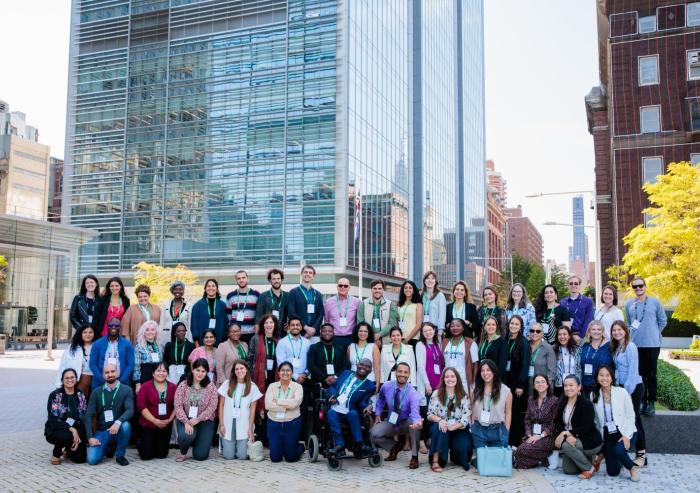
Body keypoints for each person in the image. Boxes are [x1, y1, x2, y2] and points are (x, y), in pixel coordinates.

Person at [624, 277, 667, 417]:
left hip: (652, 345)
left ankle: (651, 402)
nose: (638, 289)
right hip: (635, 345)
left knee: (651, 374)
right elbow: (630, 323)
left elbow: (663, 320)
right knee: (639, 375)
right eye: (635, 287)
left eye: (640, 286)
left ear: (645, 286)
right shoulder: (629, 304)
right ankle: (642, 400)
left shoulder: (655, 302)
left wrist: (654, 333)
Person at [591, 365, 640, 481]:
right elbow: (596, 420)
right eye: (601, 375)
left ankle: (632, 468)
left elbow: (630, 416)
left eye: (607, 375)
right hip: (608, 434)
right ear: (597, 377)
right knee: (612, 472)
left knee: (619, 449)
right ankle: (617, 458)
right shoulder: (594, 394)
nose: (604, 378)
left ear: (612, 377)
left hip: (625, 430)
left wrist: (626, 435)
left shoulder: (622, 392)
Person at [371, 362, 423, 469]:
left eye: (405, 372)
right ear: (395, 372)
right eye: (400, 371)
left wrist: (417, 422)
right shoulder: (386, 386)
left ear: (409, 374)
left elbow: (415, 411)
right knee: (373, 433)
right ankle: (394, 447)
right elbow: (380, 400)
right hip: (391, 422)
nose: (402, 374)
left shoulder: (412, 393)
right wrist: (377, 414)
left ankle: (414, 457)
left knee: (414, 424)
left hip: (406, 423)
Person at [610, 320, 647, 468]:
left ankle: (642, 454)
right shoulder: (618, 347)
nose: (617, 332)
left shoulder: (630, 346)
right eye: (614, 330)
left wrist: (627, 392)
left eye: (619, 330)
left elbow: (633, 371)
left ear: (625, 331)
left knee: (635, 419)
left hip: (632, 388)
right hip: (622, 388)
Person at [553, 375, 602, 479]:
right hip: (572, 439)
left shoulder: (586, 404)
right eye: (565, 385)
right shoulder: (562, 402)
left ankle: (589, 468)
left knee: (565, 446)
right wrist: (565, 434)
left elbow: (586, 427)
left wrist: (566, 433)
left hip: (589, 440)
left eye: (571, 385)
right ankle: (590, 460)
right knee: (568, 471)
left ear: (579, 387)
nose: (568, 388)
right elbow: (557, 422)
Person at [85, 364, 134, 466]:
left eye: (112, 371)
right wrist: (90, 438)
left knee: (125, 426)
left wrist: (118, 422)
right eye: (107, 372)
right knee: (92, 460)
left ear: (117, 373)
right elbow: (88, 416)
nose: (110, 374)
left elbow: (130, 410)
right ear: (103, 375)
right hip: (103, 431)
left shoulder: (127, 390)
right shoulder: (96, 392)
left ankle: (120, 455)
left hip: (118, 430)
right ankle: (108, 448)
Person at [426, 367, 473, 472]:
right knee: (440, 429)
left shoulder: (464, 397)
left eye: (452, 376)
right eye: (447, 377)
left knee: (463, 448)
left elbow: (465, 419)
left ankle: (455, 456)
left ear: (457, 379)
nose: (450, 379)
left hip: (458, 428)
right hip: (441, 426)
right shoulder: (436, 394)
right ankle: (436, 461)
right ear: (443, 379)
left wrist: (452, 427)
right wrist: (440, 420)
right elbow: (430, 414)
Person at [326, 359, 376, 457]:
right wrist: (332, 396)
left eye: (367, 366)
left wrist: (367, 406)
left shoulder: (369, 385)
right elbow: (332, 386)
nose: (363, 367)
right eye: (361, 364)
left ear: (370, 371)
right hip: (335, 409)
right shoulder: (346, 373)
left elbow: (363, 401)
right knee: (331, 413)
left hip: (349, 412)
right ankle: (339, 445)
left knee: (353, 414)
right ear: (357, 365)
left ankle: (360, 444)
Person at [174, 358, 218, 461]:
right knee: (185, 436)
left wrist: (198, 419)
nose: (200, 373)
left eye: (203, 371)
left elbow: (212, 406)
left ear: (206, 372)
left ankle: (198, 442)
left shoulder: (211, 386)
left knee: (200, 456)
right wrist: (186, 422)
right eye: (198, 370)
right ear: (192, 369)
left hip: (204, 420)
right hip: (186, 419)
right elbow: (178, 405)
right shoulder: (183, 385)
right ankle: (183, 452)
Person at [217, 360, 263, 460]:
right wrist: (221, 424)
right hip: (228, 422)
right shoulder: (227, 384)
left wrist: (250, 429)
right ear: (234, 371)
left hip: (243, 423)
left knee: (242, 456)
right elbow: (221, 405)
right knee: (229, 456)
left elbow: (252, 411)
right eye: (236, 369)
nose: (239, 371)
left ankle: (240, 446)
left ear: (246, 370)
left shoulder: (252, 387)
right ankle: (227, 444)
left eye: (241, 368)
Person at [248, 313, 281, 445]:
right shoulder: (256, 339)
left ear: (275, 325)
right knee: (260, 404)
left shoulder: (279, 339)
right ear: (262, 325)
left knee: (273, 403)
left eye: (271, 323)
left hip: (275, 377)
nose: (269, 325)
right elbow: (250, 359)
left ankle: (272, 437)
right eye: (266, 323)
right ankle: (261, 436)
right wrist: (250, 377)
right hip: (259, 377)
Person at [276, 316, 312, 436]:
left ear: (301, 327)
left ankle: (301, 438)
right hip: (287, 381)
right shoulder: (282, 342)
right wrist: (296, 376)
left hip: (304, 381)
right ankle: (287, 435)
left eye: (298, 325)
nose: (295, 327)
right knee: (288, 408)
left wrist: (305, 374)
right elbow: (281, 363)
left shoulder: (307, 343)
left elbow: (310, 362)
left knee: (303, 410)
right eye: (293, 325)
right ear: (288, 327)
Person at [513, 374, 558, 469]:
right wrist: (529, 435)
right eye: (537, 382)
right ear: (533, 385)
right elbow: (527, 420)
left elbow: (554, 423)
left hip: (547, 436)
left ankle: (548, 453)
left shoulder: (554, 400)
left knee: (522, 449)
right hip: (533, 435)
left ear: (547, 385)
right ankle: (542, 458)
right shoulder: (531, 400)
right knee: (522, 451)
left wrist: (540, 436)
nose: (540, 384)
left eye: (542, 382)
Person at [45, 368, 88, 465]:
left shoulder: (81, 395)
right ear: (62, 380)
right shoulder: (55, 395)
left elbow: (83, 416)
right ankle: (56, 453)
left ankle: (68, 449)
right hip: (57, 429)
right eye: (66, 378)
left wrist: (81, 435)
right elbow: (53, 419)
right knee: (65, 435)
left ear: (76, 379)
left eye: (72, 377)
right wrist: (72, 430)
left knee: (80, 459)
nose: (70, 380)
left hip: (76, 428)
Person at [265, 361, 305, 462]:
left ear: (292, 373)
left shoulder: (298, 387)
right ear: (278, 373)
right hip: (274, 424)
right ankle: (284, 446)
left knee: (291, 458)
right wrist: (287, 406)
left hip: (292, 423)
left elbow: (295, 403)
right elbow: (268, 405)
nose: (285, 373)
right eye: (282, 370)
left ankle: (300, 446)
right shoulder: (272, 386)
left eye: (288, 370)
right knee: (275, 458)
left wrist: (278, 401)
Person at [470, 359, 512, 454]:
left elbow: (508, 412)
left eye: (488, 370)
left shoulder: (506, 391)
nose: (485, 373)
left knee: (496, 462)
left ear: (494, 371)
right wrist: (472, 425)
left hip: (498, 431)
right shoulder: (474, 388)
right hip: (479, 430)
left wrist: (506, 430)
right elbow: (471, 408)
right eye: (482, 370)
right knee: (484, 462)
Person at [135, 362, 176, 460]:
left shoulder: (173, 387)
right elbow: (141, 406)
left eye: (164, 371)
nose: (161, 373)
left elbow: (177, 406)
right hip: (149, 424)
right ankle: (141, 443)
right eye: (158, 370)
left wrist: (170, 419)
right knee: (146, 456)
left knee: (161, 455)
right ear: (153, 373)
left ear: (167, 373)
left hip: (165, 425)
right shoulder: (145, 386)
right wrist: (154, 421)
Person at [416, 322, 444, 454]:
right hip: (427, 385)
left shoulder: (438, 344)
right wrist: (427, 383)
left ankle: (429, 439)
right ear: (422, 333)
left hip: (438, 385)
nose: (428, 332)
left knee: (435, 413)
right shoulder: (420, 345)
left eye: (430, 330)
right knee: (425, 413)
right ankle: (421, 441)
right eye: (425, 331)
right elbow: (421, 366)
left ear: (434, 330)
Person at [504, 315, 531, 447]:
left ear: (521, 327)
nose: (513, 326)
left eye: (516, 324)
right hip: (506, 380)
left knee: (515, 411)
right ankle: (505, 438)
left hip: (517, 383)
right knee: (505, 409)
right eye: (512, 323)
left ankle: (515, 442)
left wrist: (520, 384)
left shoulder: (524, 342)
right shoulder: (506, 339)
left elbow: (525, 364)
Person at [89, 317, 134, 389]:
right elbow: (92, 364)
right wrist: (103, 380)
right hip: (100, 383)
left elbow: (131, 364)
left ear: (120, 328)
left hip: (122, 382)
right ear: (107, 327)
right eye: (111, 325)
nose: (113, 327)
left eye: (116, 326)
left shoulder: (127, 344)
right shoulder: (97, 343)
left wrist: (120, 381)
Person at [55, 323, 96, 394]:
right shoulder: (73, 347)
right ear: (80, 334)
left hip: (95, 380)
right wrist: (59, 384)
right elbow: (63, 365)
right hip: (80, 379)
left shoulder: (98, 345)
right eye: (85, 332)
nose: (88, 335)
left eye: (90, 332)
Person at [287, 265, 324, 339]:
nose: (308, 274)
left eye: (310, 273)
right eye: (305, 272)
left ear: (313, 276)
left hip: (314, 334)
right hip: (299, 333)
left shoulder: (318, 294)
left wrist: (313, 329)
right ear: (301, 274)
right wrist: (306, 327)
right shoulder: (293, 292)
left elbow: (320, 314)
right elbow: (291, 313)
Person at [357, 279, 399, 344]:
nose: (377, 291)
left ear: (383, 290)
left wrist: (379, 335)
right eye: (375, 288)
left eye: (380, 289)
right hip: (368, 341)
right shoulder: (363, 304)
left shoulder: (390, 304)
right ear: (371, 289)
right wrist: (372, 337)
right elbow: (360, 323)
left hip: (386, 342)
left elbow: (392, 323)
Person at [324, 277, 360, 352]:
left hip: (351, 337)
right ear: (337, 287)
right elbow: (327, 321)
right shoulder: (328, 302)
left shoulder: (357, 302)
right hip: (334, 337)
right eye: (340, 285)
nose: (343, 287)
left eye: (345, 286)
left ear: (349, 288)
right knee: (336, 361)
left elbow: (358, 321)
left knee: (350, 361)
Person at [579, 320, 614, 398]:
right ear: (589, 331)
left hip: (603, 385)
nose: (596, 332)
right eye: (593, 329)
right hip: (585, 385)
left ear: (602, 331)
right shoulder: (585, 344)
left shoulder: (610, 346)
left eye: (599, 329)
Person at [307, 323, 349, 388]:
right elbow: (311, 366)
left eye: (330, 331)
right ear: (321, 333)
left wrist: (335, 377)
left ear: (333, 333)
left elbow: (346, 365)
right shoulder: (314, 347)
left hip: (337, 382)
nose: (327, 333)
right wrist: (325, 377)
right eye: (324, 331)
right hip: (319, 382)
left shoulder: (340, 348)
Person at [225, 270, 260, 344]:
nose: (241, 280)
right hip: (235, 334)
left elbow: (259, 314)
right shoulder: (230, 296)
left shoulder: (256, 295)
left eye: (243, 278)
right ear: (236, 280)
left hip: (251, 333)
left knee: (250, 355)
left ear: (247, 279)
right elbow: (228, 316)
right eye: (239, 278)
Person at [442, 318, 478, 389]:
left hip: (463, 380)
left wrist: (474, 380)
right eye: (452, 326)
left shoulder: (471, 343)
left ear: (463, 328)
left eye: (458, 326)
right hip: (447, 379)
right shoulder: (444, 342)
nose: (455, 328)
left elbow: (475, 364)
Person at [191, 279, 228, 345]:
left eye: (213, 286)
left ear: (217, 289)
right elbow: (194, 326)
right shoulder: (197, 305)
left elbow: (225, 324)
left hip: (219, 343)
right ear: (205, 289)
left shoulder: (222, 305)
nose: (211, 288)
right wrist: (197, 344)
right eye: (208, 286)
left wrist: (224, 342)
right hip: (202, 343)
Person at [560, 275, 594, 342]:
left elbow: (588, 321)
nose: (573, 285)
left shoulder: (587, 302)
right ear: (568, 285)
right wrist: (569, 335)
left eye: (576, 283)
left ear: (579, 285)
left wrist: (580, 336)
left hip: (582, 337)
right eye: (571, 283)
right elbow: (560, 321)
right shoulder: (562, 302)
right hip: (566, 337)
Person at [132, 320, 164, 393]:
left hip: (158, 377)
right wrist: (137, 383)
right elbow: (136, 366)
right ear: (143, 332)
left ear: (156, 332)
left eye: (152, 330)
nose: (150, 332)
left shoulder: (160, 346)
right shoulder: (139, 347)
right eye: (147, 330)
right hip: (145, 377)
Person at [159, 280, 192, 345]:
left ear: (183, 291)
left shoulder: (189, 306)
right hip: (167, 337)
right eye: (175, 289)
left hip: (183, 337)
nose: (178, 291)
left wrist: (190, 341)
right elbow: (161, 324)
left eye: (180, 289)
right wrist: (159, 340)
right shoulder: (166, 305)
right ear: (172, 291)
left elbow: (190, 325)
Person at [554, 326, 581, 397]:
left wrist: (579, 385)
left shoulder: (577, 350)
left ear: (569, 336)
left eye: (564, 334)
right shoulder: (553, 350)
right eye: (559, 334)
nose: (562, 336)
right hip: (559, 385)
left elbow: (579, 369)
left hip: (574, 385)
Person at [528, 322, 556, 390]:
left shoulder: (548, 348)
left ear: (542, 334)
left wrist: (546, 387)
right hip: (527, 385)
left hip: (542, 387)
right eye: (532, 331)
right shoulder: (526, 346)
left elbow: (551, 371)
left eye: (538, 331)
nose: (535, 333)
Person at [397, 280, 423, 348]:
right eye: (405, 288)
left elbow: (419, 324)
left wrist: (407, 339)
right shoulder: (399, 305)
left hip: (413, 339)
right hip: (400, 339)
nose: (407, 289)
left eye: (410, 288)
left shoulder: (418, 304)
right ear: (403, 290)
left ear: (413, 290)